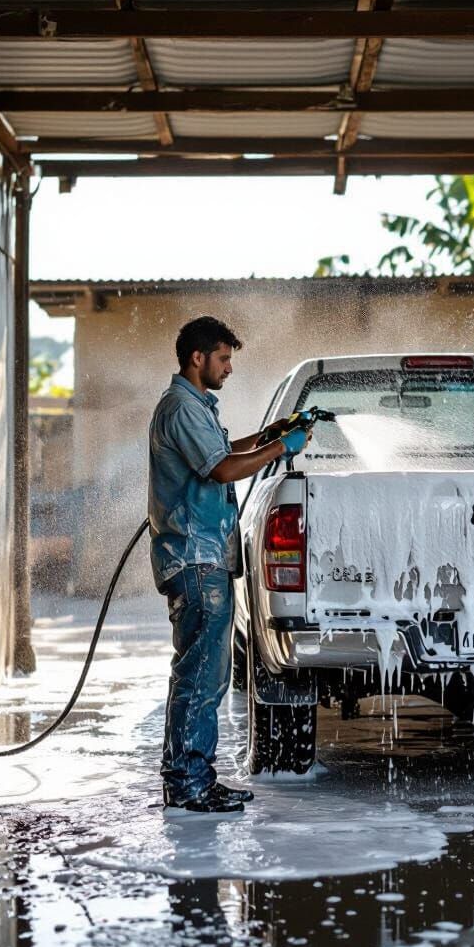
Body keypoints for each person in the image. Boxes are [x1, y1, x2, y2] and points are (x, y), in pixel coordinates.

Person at [149, 316, 310, 814]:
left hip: (200, 555)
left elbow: (221, 453)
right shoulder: (182, 407)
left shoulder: (192, 407)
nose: (230, 367)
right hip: (196, 558)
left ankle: (194, 777)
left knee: (203, 676)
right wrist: (281, 448)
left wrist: (268, 434)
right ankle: (188, 784)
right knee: (201, 677)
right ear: (197, 359)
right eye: (223, 358)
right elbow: (220, 468)